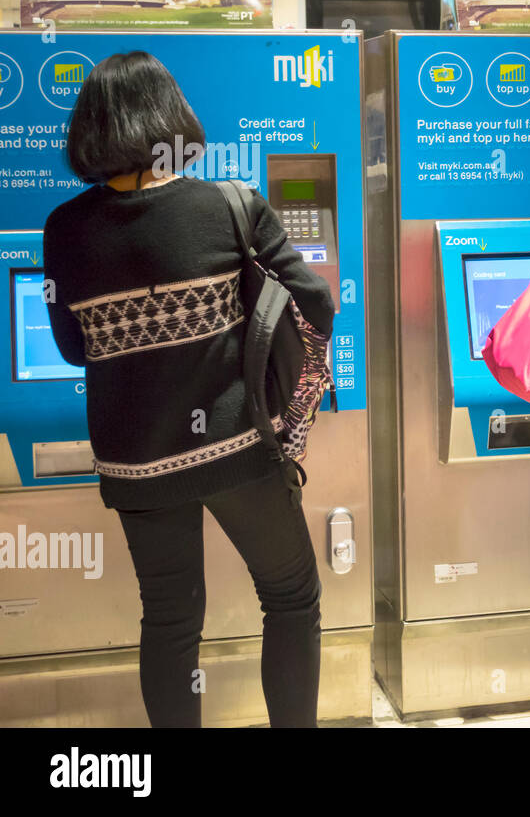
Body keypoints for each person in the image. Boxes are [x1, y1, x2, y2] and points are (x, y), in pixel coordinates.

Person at [43, 52, 334, 727]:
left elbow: (69, 347)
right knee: (291, 597)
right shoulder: (229, 206)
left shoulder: (65, 229)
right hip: (235, 447)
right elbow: (314, 301)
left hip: (134, 460)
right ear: (169, 117)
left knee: (170, 620)